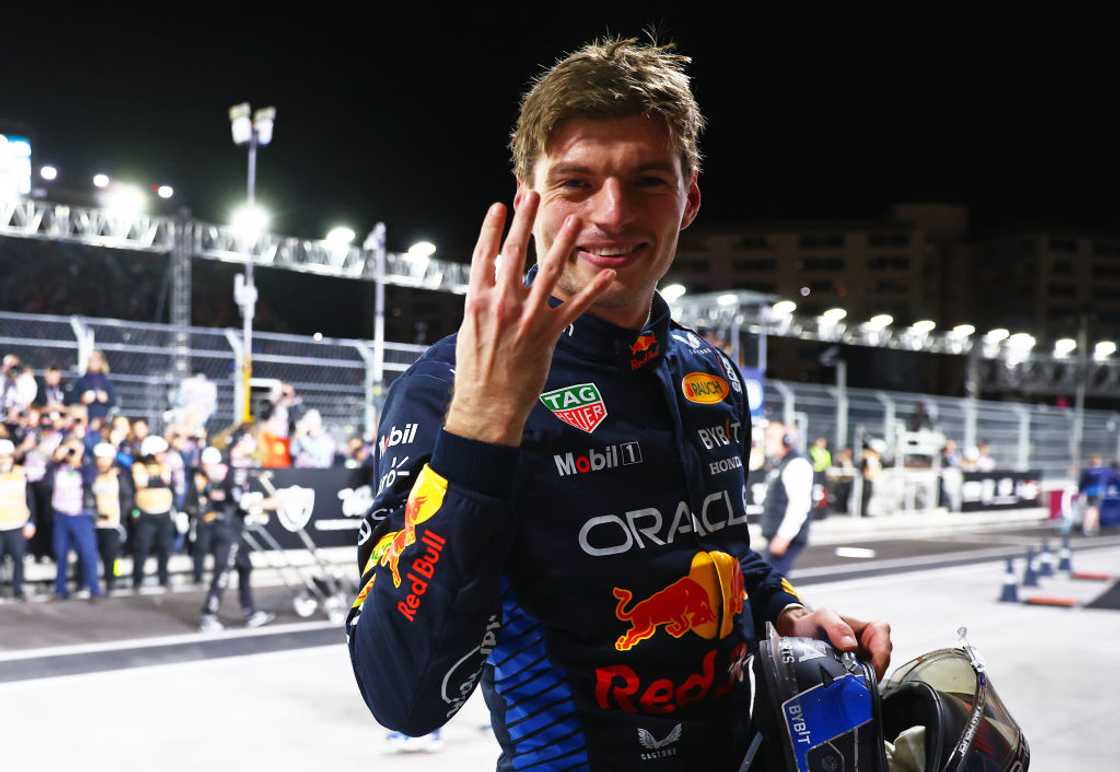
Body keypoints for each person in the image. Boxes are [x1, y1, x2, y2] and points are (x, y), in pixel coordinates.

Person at [346, 36, 891, 770]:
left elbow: (717, 553)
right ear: (528, 198)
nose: (612, 213)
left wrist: (789, 609)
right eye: (576, 183)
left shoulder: (711, 373)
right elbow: (402, 697)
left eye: (647, 181)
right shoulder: (449, 385)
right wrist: (483, 423)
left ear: (689, 197)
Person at [193, 446, 274, 631]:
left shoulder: (223, 475)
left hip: (232, 528)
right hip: (226, 530)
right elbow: (241, 502)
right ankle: (208, 615)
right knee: (223, 572)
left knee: (245, 566)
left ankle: (250, 612)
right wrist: (269, 503)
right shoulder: (224, 475)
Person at [48, 438, 102, 599]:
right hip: (61, 515)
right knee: (60, 552)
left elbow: (90, 478)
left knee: (88, 552)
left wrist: (77, 461)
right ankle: (60, 589)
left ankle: (93, 588)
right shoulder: (58, 468)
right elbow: (45, 481)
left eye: (75, 449)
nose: (71, 452)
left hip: (81, 515)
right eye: (69, 449)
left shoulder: (87, 467)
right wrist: (56, 458)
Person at [760, 422, 814, 576]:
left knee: (770, 584)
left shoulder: (796, 464)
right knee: (771, 584)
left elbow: (799, 505)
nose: (767, 441)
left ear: (786, 440)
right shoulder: (781, 463)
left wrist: (783, 537)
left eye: (771, 437)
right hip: (778, 535)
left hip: (786, 537)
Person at [130, 435, 175, 590]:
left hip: (164, 513)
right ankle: (137, 578)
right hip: (146, 514)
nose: (164, 455)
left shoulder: (164, 466)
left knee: (165, 547)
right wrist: (156, 480)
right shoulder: (139, 466)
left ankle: (163, 577)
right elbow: (141, 483)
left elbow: (167, 481)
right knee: (141, 547)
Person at [90, 442, 131, 594]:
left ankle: (113, 579)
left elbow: (126, 497)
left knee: (113, 555)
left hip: (114, 523)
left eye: (105, 458)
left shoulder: (119, 476)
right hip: (95, 523)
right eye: (100, 458)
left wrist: (122, 515)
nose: (102, 462)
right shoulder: (92, 475)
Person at [0, 438, 37, 600]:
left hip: (17, 523)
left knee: (18, 558)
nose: (3, 459)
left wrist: (31, 522)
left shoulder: (21, 473)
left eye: (6, 456)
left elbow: (30, 499)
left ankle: (18, 589)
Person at [69, 350, 116, 422]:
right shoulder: (81, 382)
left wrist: (106, 399)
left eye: (97, 360)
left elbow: (113, 401)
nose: (94, 363)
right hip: (84, 417)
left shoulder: (106, 382)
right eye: (91, 360)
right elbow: (73, 400)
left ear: (101, 362)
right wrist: (82, 399)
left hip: (102, 417)